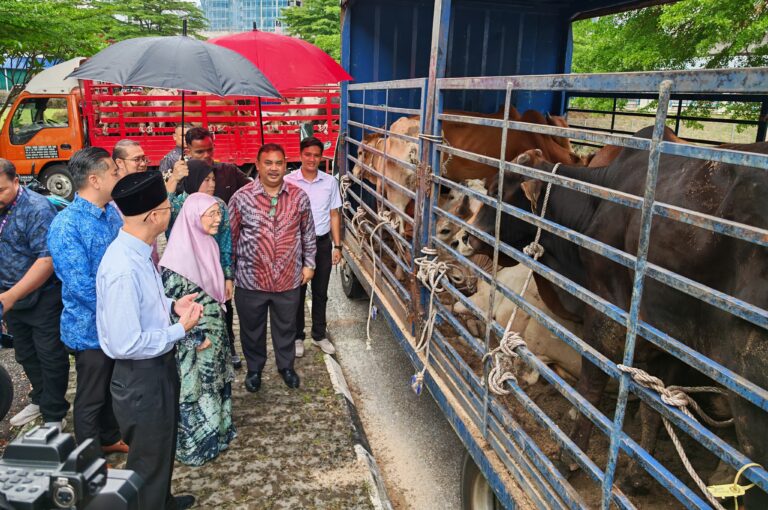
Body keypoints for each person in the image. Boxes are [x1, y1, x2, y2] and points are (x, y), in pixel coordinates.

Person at [96, 171, 202, 510]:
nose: (170, 209)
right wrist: (180, 328)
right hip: (139, 373)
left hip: (156, 366)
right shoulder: (122, 268)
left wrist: (172, 306)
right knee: (147, 456)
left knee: (161, 445)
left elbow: (142, 305)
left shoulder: (138, 251)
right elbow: (127, 342)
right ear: (154, 216)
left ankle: (162, 500)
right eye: (166, 206)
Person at [47, 148, 128, 454]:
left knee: (110, 389)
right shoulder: (67, 225)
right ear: (95, 179)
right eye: (113, 171)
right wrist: (118, 311)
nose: (118, 176)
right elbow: (80, 285)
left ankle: (109, 438)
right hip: (89, 329)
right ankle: (89, 458)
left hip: (115, 321)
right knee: (91, 396)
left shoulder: (111, 212)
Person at [229, 143, 316, 391]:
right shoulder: (241, 198)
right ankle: (254, 370)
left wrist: (309, 264)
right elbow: (231, 239)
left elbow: (308, 234)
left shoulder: (299, 196)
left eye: (279, 163)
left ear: (286, 165)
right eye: (268, 163)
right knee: (252, 330)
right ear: (257, 165)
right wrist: (228, 274)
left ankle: (286, 366)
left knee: (286, 327)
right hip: (250, 280)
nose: (274, 168)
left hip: (288, 279)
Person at [160, 193, 236, 466]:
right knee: (196, 391)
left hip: (214, 332)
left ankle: (220, 434)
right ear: (194, 217)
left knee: (216, 383)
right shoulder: (175, 260)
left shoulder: (209, 245)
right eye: (212, 214)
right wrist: (195, 337)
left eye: (219, 213)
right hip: (194, 341)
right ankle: (197, 447)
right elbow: (169, 309)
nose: (219, 219)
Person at [169, 126, 250, 369]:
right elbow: (161, 219)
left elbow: (226, 242)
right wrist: (173, 180)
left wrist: (227, 275)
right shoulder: (177, 203)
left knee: (222, 313)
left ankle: (228, 348)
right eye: (206, 179)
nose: (212, 183)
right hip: (187, 273)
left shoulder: (220, 204)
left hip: (213, 271)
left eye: (213, 178)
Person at [0, 159, 70, 429]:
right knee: (24, 353)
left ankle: (54, 415)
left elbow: (46, 260)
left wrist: (12, 295)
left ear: (16, 181)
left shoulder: (36, 208)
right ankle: (40, 398)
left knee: (50, 354)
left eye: (2, 190)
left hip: (42, 294)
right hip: (9, 294)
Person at [285, 136, 343, 357]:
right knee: (296, 292)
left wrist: (337, 246)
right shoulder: (289, 181)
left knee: (321, 292)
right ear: (300, 155)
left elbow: (334, 214)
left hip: (321, 243)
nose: (311, 159)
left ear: (321, 157)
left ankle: (319, 335)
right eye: (307, 154)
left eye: (316, 155)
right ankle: (297, 336)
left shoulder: (330, 182)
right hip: (295, 244)